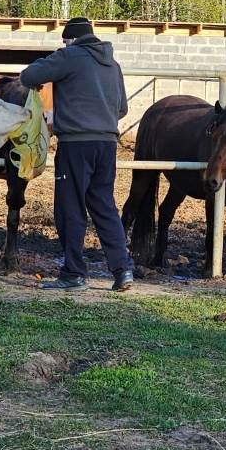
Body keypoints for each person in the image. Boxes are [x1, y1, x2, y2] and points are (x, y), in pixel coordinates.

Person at [19, 16, 135, 292]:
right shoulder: (113, 64)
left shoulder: (70, 56)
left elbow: (29, 76)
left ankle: (73, 273)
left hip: (76, 145)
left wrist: (58, 57)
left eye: (64, 41)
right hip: (107, 144)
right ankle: (122, 271)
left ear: (70, 38)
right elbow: (122, 109)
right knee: (104, 206)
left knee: (70, 207)